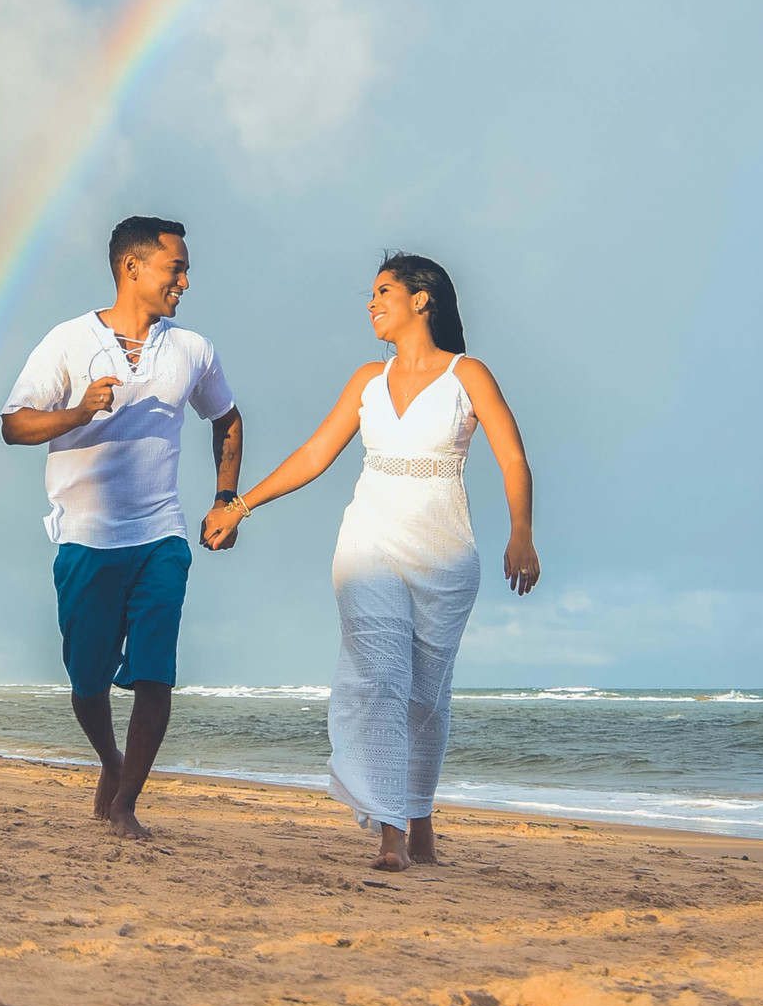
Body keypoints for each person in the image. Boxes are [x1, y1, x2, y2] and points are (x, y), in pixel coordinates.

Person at [203, 253, 538, 871]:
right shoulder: (366, 380)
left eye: (384, 291)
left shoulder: (469, 376)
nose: (370, 302)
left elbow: (513, 458)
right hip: (369, 544)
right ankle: (389, 834)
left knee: (426, 697)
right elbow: (314, 454)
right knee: (379, 682)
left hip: (446, 552)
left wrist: (522, 533)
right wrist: (240, 505)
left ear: (422, 300)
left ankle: (420, 818)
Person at [2, 216, 242, 839]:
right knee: (87, 682)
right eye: (176, 268)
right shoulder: (66, 341)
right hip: (84, 536)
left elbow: (228, 419)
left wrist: (226, 499)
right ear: (132, 267)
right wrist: (79, 410)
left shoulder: (193, 349)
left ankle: (127, 801)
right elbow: (13, 424)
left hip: (162, 534)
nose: (185, 280)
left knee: (156, 674)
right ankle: (111, 762)